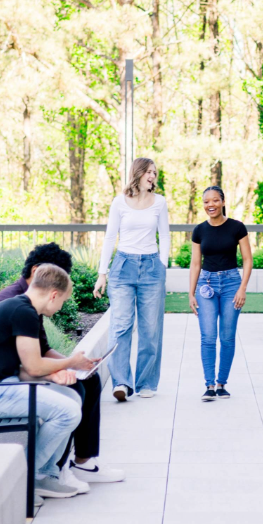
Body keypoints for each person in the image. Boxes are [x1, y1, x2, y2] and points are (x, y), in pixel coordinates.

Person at [0, 243, 124, 484]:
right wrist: (63, 367)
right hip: (3, 380)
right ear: (39, 271)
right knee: (74, 391)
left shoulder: (28, 302)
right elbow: (27, 364)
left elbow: (44, 349)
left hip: (16, 373)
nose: (60, 298)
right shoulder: (15, 303)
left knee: (88, 380)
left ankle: (82, 461)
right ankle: (51, 470)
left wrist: (77, 364)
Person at [0, 264, 98, 498]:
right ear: (53, 295)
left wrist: (54, 374)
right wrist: (69, 362)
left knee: (72, 397)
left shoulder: (19, 308)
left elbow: (23, 369)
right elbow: (33, 366)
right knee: (68, 412)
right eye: (62, 301)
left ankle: (46, 475)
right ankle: (23, 477)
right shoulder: (24, 312)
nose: (61, 307)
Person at [94, 157, 170, 401]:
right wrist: (102, 272)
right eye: (149, 172)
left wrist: (162, 264)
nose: (153, 176)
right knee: (121, 325)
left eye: (155, 173)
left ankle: (146, 382)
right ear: (137, 173)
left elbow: (165, 236)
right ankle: (121, 383)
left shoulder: (159, 202)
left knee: (150, 328)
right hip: (123, 267)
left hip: (151, 266)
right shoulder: (119, 202)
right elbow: (109, 237)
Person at [187, 186, 253, 402]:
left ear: (223, 202)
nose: (210, 205)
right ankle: (209, 384)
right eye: (206, 202)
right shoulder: (199, 230)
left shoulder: (237, 227)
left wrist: (242, 288)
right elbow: (196, 263)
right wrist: (191, 293)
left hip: (232, 284)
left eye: (215, 200)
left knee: (227, 337)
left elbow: (247, 260)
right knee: (207, 337)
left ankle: (222, 383)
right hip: (206, 285)